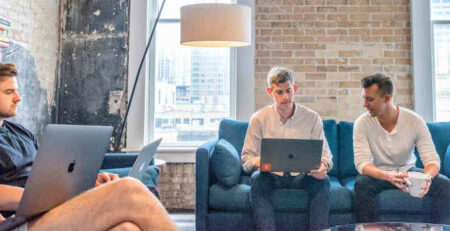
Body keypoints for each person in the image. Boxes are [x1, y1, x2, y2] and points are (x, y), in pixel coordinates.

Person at [0, 63, 178, 230]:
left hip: (46, 209)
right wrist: (48, 198)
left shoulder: (19, 131)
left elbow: (46, 176)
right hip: (18, 222)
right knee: (129, 189)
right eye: (9, 92)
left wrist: (84, 184)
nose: (18, 98)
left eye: (16, 91)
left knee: (127, 228)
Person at [241, 66, 333, 231]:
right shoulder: (258, 119)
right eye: (279, 92)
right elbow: (247, 158)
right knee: (257, 179)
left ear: (295, 89)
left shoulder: (312, 118)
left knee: (323, 182)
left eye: (288, 91)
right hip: (271, 175)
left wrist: (322, 166)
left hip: (303, 175)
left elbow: (326, 156)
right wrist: (263, 162)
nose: (285, 97)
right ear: (270, 92)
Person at [353, 73, 450, 224]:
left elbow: (432, 160)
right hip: (378, 173)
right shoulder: (362, 123)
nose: (364, 104)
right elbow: (362, 164)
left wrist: (427, 178)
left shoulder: (414, 121)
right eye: (364, 98)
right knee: (361, 184)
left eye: (369, 99)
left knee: (444, 184)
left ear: (387, 98)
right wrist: (388, 176)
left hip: (408, 172)